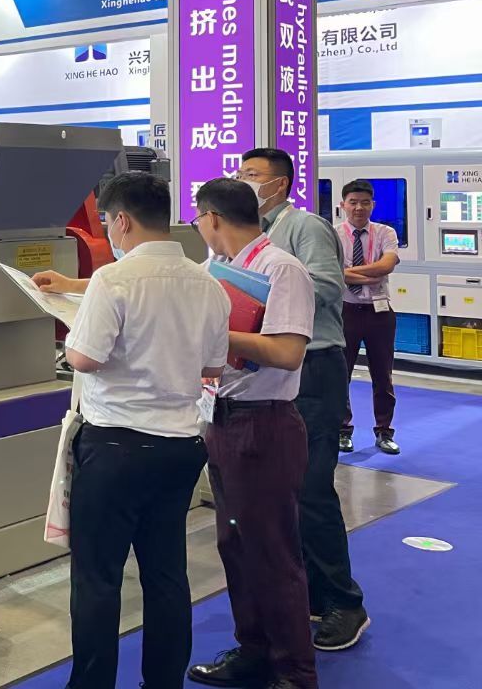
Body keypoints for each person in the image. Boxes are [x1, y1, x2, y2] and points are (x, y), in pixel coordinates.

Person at [32, 173, 230, 689]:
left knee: (98, 579)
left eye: (106, 223)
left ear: (121, 220)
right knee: (166, 575)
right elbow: (213, 367)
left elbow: (83, 357)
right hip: (180, 446)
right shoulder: (208, 284)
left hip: (116, 446)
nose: (108, 232)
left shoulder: (113, 281)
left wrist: (73, 328)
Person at [186, 178, 317, 689]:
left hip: (264, 424)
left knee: (272, 551)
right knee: (236, 544)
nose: (199, 227)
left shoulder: (281, 268)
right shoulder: (216, 268)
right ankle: (255, 650)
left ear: (212, 218)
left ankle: (295, 672)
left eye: (198, 219)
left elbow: (287, 352)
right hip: (221, 418)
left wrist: (217, 334)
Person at [237, 148, 369, 649]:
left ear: (280, 183)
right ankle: (309, 592)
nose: (244, 181)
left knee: (312, 488)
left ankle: (344, 603)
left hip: (314, 365)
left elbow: (328, 288)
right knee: (283, 491)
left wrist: (258, 287)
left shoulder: (303, 227)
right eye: (240, 173)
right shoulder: (250, 233)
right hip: (270, 367)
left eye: (253, 175)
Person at [337, 179, 401, 455]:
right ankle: (342, 431)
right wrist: (370, 273)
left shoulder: (386, 232)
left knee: (383, 375)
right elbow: (333, 273)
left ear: (373, 205)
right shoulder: (333, 234)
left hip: (380, 313)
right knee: (341, 374)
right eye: (353, 202)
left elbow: (387, 265)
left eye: (365, 202)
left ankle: (384, 432)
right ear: (343, 205)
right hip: (345, 311)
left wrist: (350, 273)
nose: (359, 208)